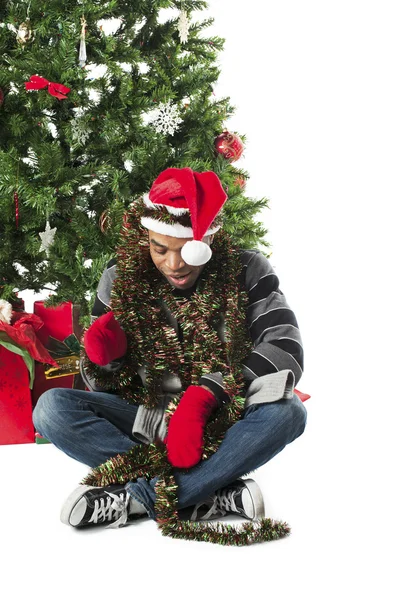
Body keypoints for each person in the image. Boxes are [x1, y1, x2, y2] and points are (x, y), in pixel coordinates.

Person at [33, 167, 307, 530]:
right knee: (51, 409)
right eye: (160, 249)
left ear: (208, 241)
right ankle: (206, 491)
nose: (174, 264)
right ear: (145, 236)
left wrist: (207, 394)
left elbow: (285, 346)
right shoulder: (119, 277)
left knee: (288, 413)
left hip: (224, 419)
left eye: (186, 252)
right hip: (146, 418)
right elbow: (99, 386)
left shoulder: (247, 268)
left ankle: (137, 498)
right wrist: (107, 358)